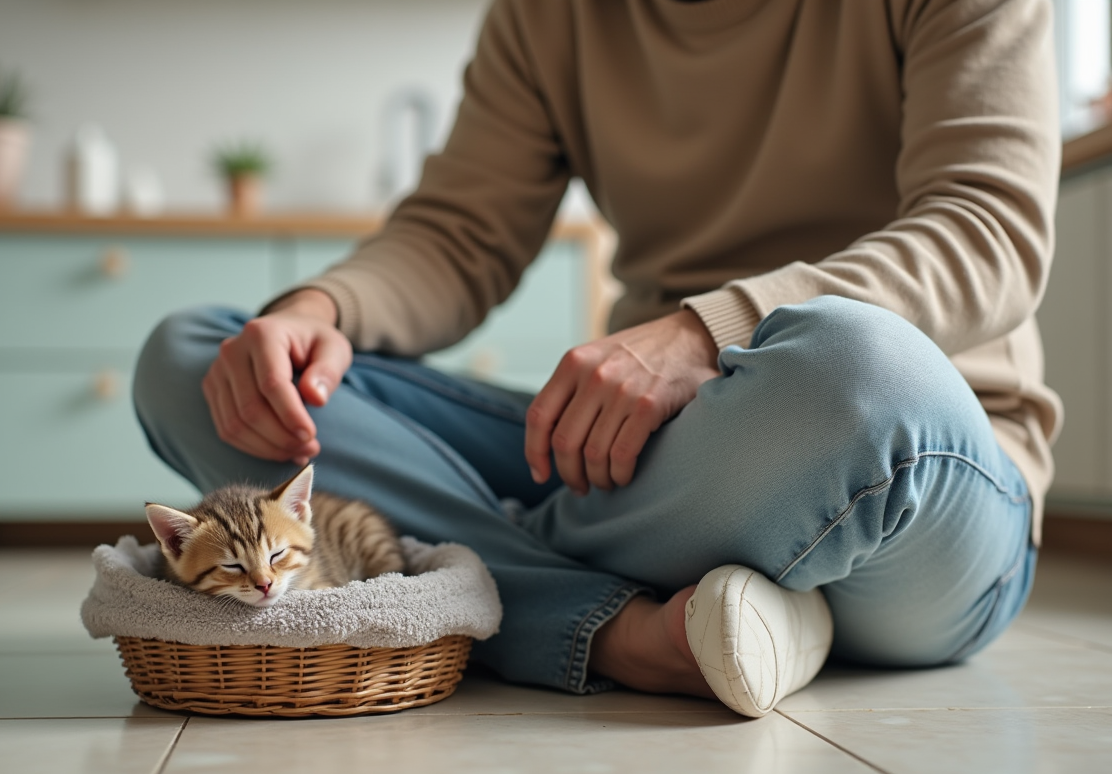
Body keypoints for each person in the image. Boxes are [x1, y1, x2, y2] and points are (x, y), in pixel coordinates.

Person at [134, 0, 1061, 717]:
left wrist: (709, 331)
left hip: (897, 467)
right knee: (202, 358)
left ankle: (522, 592)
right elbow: (459, 233)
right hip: (639, 453)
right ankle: (623, 626)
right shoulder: (549, 16)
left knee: (863, 373)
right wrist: (320, 309)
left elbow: (987, 230)